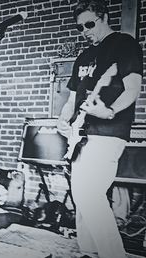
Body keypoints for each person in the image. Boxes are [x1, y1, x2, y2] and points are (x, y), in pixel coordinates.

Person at [57, 1, 142, 257]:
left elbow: (133, 88)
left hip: (108, 133)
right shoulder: (83, 57)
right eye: (80, 27)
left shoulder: (123, 44)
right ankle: (89, 251)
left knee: (89, 194)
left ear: (104, 17)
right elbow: (71, 100)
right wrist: (63, 120)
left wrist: (109, 111)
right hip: (80, 135)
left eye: (90, 24)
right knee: (80, 197)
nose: (85, 31)